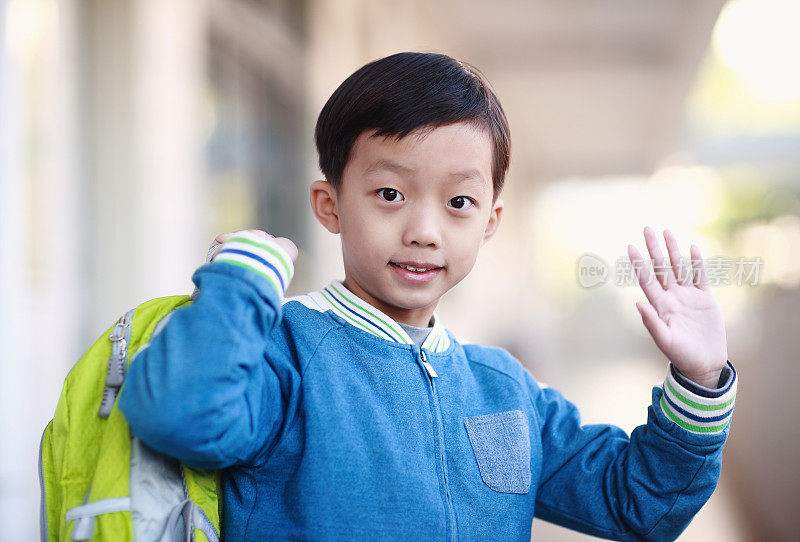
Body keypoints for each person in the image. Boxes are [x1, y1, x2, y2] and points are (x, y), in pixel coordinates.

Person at [118, 52, 736, 540]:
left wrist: (700, 378)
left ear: (489, 222)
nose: (424, 230)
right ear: (329, 206)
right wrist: (244, 277)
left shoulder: (504, 388)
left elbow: (639, 503)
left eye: (458, 202)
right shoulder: (284, 355)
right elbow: (181, 413)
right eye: (390, 194)